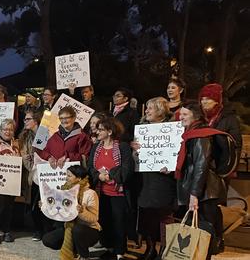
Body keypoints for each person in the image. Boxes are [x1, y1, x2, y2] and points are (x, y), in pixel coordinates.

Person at [176, 101, 227, 256]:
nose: (181, 118)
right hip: (201, 191)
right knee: (200, 235)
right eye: (180, 114)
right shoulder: (192, 134)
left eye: (185, 114)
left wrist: (194, 195)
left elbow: (201, 165)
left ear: (195, 116)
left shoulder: (201, 135)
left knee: (204, 235)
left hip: (205, 192)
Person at [132, 97, 176, 260]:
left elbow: (178, 155)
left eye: (150, 108)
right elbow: (135, 159)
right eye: (147, 108)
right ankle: (150, 248)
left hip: (164, 180)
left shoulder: (173, 129)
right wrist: (135, 152)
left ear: (161, 110)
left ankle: (165, 248)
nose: (147, 111)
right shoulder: (143, 129)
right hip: (145, 179)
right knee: (146, 215)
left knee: (164, 214)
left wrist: (171, 169)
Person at [87, 117, 134, 260]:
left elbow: (127, 169)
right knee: (104, 221)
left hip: (117, 193)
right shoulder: (96, 147)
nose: (97, 132)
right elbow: (90, 167)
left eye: (101, 129)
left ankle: (119, 252)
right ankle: (107, 247)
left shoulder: (122, 147)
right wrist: (99, 176)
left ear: (110, 131)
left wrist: (111, 175)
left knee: (118, 222)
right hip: (100, 192)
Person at [41, 165, 101, 260]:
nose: (66, 178)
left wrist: (81, 212)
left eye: (69, 176)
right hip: (68, 227)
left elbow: (94, 218)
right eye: (66, 175)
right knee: (48, 240)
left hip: (89, 229)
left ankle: (84, 256)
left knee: (77, 230)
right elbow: (57, 211)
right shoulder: (64, 190)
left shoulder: (90, 193)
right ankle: (72, 250)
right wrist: (45, 206)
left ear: (78, 178)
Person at [20, 111, 46, 240]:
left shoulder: (45, 134)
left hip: (46, 172)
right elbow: (25, 157)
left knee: (45, 201)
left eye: (27, 119)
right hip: (33, 173)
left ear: (36, 121)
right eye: (25, 119)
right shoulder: (25, 136)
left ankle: (46, 229)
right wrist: (33, 168)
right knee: (34, 204)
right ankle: (38, 230)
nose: (25, 121)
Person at [199, 83, 242, 153]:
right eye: (202, 99)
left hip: (221, 160)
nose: (204, 102)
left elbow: (236, 145)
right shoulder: (200, 118)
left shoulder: (229, 118)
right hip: (203, 160)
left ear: (217, 101)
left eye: (208, 99)